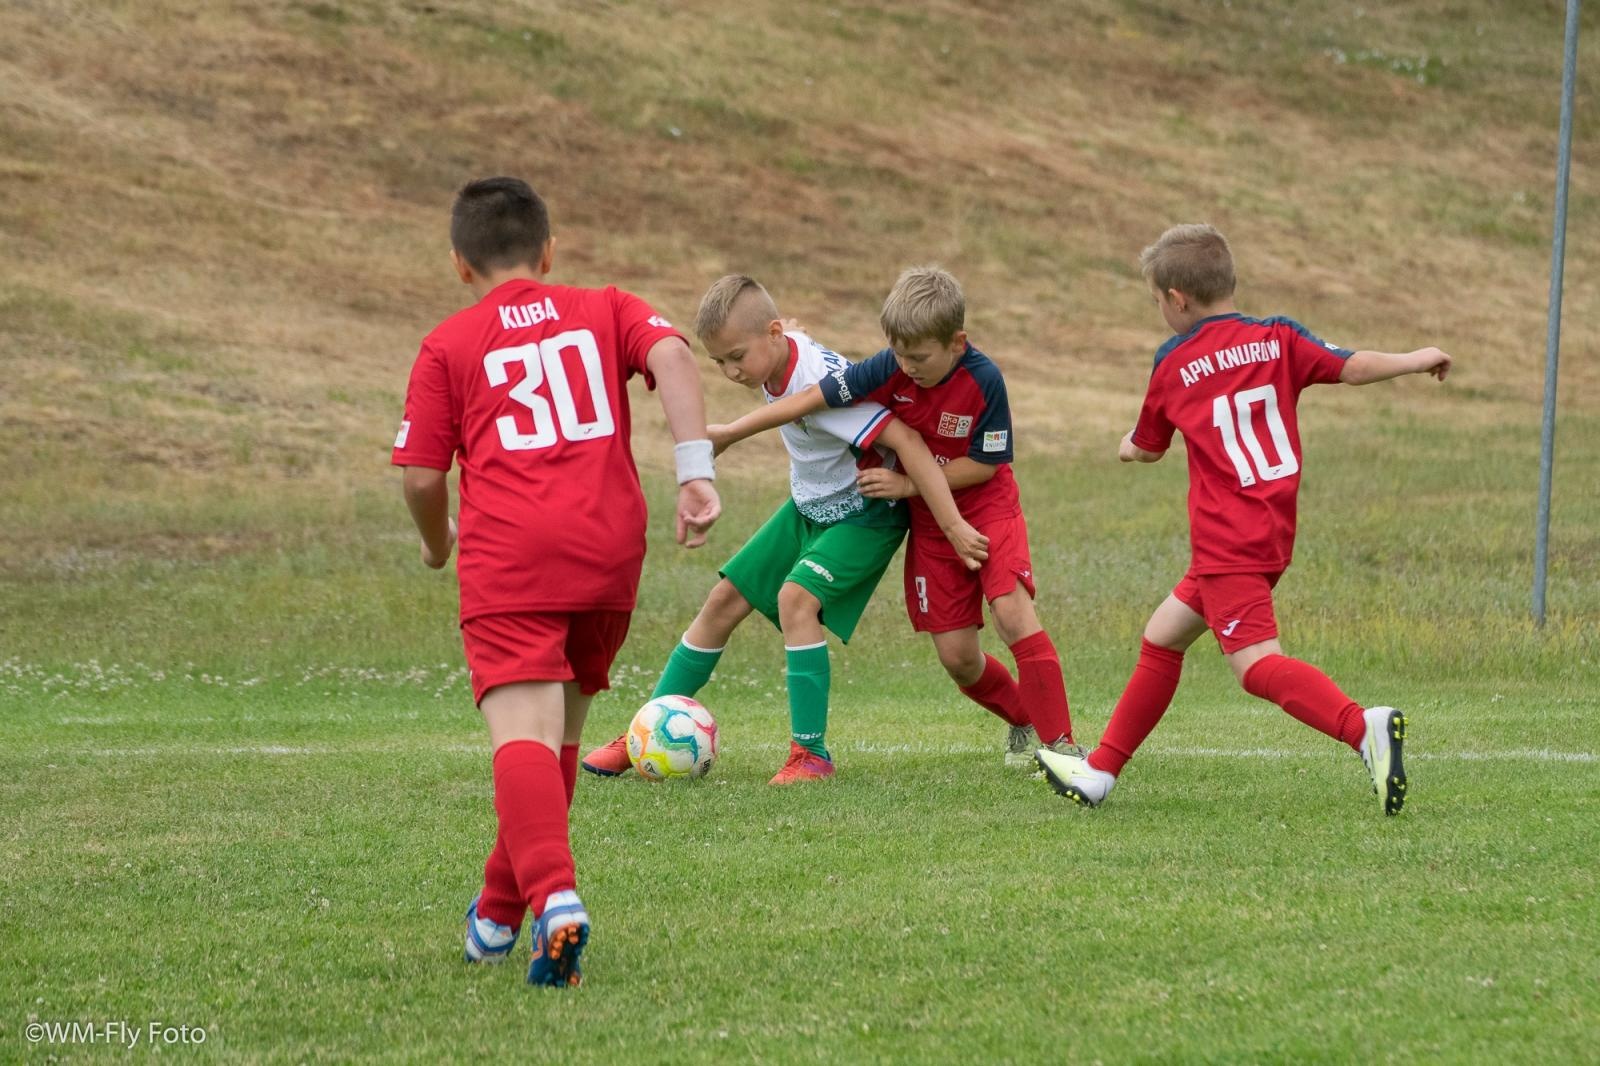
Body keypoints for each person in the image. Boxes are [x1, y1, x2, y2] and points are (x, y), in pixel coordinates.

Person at [392, 177, 721, 986]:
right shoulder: (606, 306)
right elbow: (674, 353)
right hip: (609, 550)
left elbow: (422, 478)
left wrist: (437, 548)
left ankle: (556, 901)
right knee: (558, 741)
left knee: (521, 741)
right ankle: (499, 915)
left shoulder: (450, 344)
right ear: (548, 249)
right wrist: (693, 470)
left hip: (514, 556)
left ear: (459, 266)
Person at [1036, 222, 1451, 815]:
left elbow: (1149, 448)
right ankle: (1101, 771)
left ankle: (1364, 728)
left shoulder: (1174, 361)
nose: (1159, 311)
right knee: (1163, 635)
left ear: (1177, 299)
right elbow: (1351, 365)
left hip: (1228, 540)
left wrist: (1126, 445)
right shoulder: (1278, 336)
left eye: (1156, 301)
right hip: (1269, 530)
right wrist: (1416, 358)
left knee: (1256, 666)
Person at [581, 276, 990, 784]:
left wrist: (950, 524)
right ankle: (643, 733)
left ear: (773, 334)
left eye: (737, 357)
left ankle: (811, 754)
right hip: (809, 506)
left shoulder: (819, 380)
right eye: (720, 363)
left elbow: (905, 439)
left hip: (865, 511)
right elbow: (786, 362)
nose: (731, 372)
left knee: (798, 598)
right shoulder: (779, 354)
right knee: (723, 599)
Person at [708, 266, 1078, 767]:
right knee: (958, 658)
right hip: (927, 521)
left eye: (919, 357)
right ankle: (1022, 717)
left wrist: (906, 485)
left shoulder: (985, 380)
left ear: (957, 343)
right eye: (899, 354)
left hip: (986, 506)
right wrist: (731, 431)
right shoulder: (890, 367)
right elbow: (806, 399)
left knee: (1011, 613)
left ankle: (1064, 748)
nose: (907, 367)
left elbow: (986, 464)